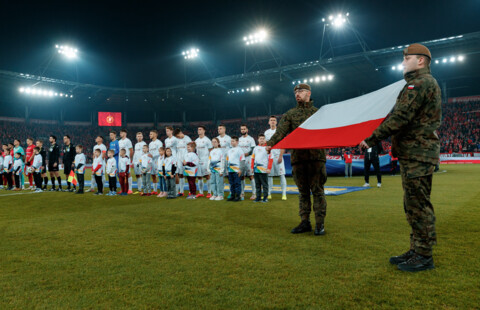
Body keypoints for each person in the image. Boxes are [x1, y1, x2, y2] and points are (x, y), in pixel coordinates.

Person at [360, 43, 441, 272]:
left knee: (418, 206)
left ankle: (424, 255)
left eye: (407, 58)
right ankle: (417, 249)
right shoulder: (418, 84)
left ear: (421, 61)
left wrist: (372, 137)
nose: (403, 62)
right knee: (412, 204)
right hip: (414, 153)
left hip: (418, 153)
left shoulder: (421, 83)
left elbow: (400, 117)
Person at [266, 83, 327, 236]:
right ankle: (305, 222)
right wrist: (270, 144)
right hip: (298, 160)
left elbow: (329, 132)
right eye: (295, 92)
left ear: (309, 93)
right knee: (303, 193)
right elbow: (281, 132)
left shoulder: (318, 113)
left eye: (301, 91)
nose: (297, 94)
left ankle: (320, 224)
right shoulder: (290, 114)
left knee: (318, 192)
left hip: (316, 159)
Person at [264, 116, 287, 200]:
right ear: (269, 122)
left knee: (281, 175)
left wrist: (281, 156)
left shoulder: (280, 132)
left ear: (276, 122)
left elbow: (283, 144)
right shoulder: (266, 132)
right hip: (270, 157)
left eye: (274, 120)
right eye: (271, 120)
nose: (272, 121)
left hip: (278, 156)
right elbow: (266, 145)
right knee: (269, 176)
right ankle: (269, 193)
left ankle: (284, 193)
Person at [251, 134, 273, 203]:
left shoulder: (268, 148)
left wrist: (269, 168)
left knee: (264, 184)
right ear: (258, 140)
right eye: (260, 138)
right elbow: (252, 158)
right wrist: (251, 167)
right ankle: (258, 197)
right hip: (256, 169)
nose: (262, 140)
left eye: (263, 138)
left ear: (265, 140)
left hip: (264, 170)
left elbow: (271, 159)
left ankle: (265, 198)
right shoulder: (255, 148)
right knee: (257, 184)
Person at [238, 124, 256, 200]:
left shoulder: (251, 139)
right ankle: (242, 193)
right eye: (242, 129)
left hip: (248, 159)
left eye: (244, 129)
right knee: (241, 177)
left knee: (251, 176)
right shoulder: (239, 139)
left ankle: (254, 193)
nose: (243, 130)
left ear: (247, 130)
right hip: (241, 160)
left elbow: (253, 149)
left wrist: (246, 154)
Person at [195, 126, 213, 198]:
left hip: (205, 160)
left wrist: (210, 160)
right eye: (198, 129)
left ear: (204, 131)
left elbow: (211, 150)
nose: (199, 131)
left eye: (200, 129)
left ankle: (209, 192)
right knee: (199, 176)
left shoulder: (207, 140)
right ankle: (201, 192)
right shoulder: (196, 140)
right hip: (198, 160)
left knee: (207, 176)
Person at [174, 128, 192, 197]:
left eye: (178, 135)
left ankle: (190, 191)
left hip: (186, 159)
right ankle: (181, 191)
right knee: (180, 175)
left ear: (180, 133)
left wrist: (187, 159)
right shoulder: (176, 140)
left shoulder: (187, 139)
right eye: (176, 136)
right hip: (179, 159)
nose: (177, 137)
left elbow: (191, 149)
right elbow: (175, 150)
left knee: (188, 175)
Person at [226, 136, 245, 202]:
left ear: (237, 142)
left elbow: (242, 160)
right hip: (230, 170)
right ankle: (232, 195)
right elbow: (227, 160)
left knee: (237, 183)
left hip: (237, 170)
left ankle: (238, 196)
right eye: (231, 141)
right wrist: (227, 169)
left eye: (233, 141)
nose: (232, 142)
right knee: (232, 184)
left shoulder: (239, 150)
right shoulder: (229, 150)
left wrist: (240, 170)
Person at [119, 129, 134, 194]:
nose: (120, 134)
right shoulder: (119, 141)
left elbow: (131, 150)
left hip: (126, 159)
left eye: (121, 133)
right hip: (120, 160)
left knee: (128, 174)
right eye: (120, 133)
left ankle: (130, 189)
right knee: (121, 174)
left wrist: (130, 159)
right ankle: (122, 189)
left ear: (125, 133)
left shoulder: (128, 141)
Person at [148, 130, 163, 195]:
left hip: (158, 161)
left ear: (155, 135)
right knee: (153, 175)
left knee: (160, 175)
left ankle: (162, 190)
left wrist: (152, 156)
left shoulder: (159, 142)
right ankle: (155, 190)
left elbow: (160, 152)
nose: (150, 135)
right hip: (152, 161)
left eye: (151, 134)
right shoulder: (150, 143)